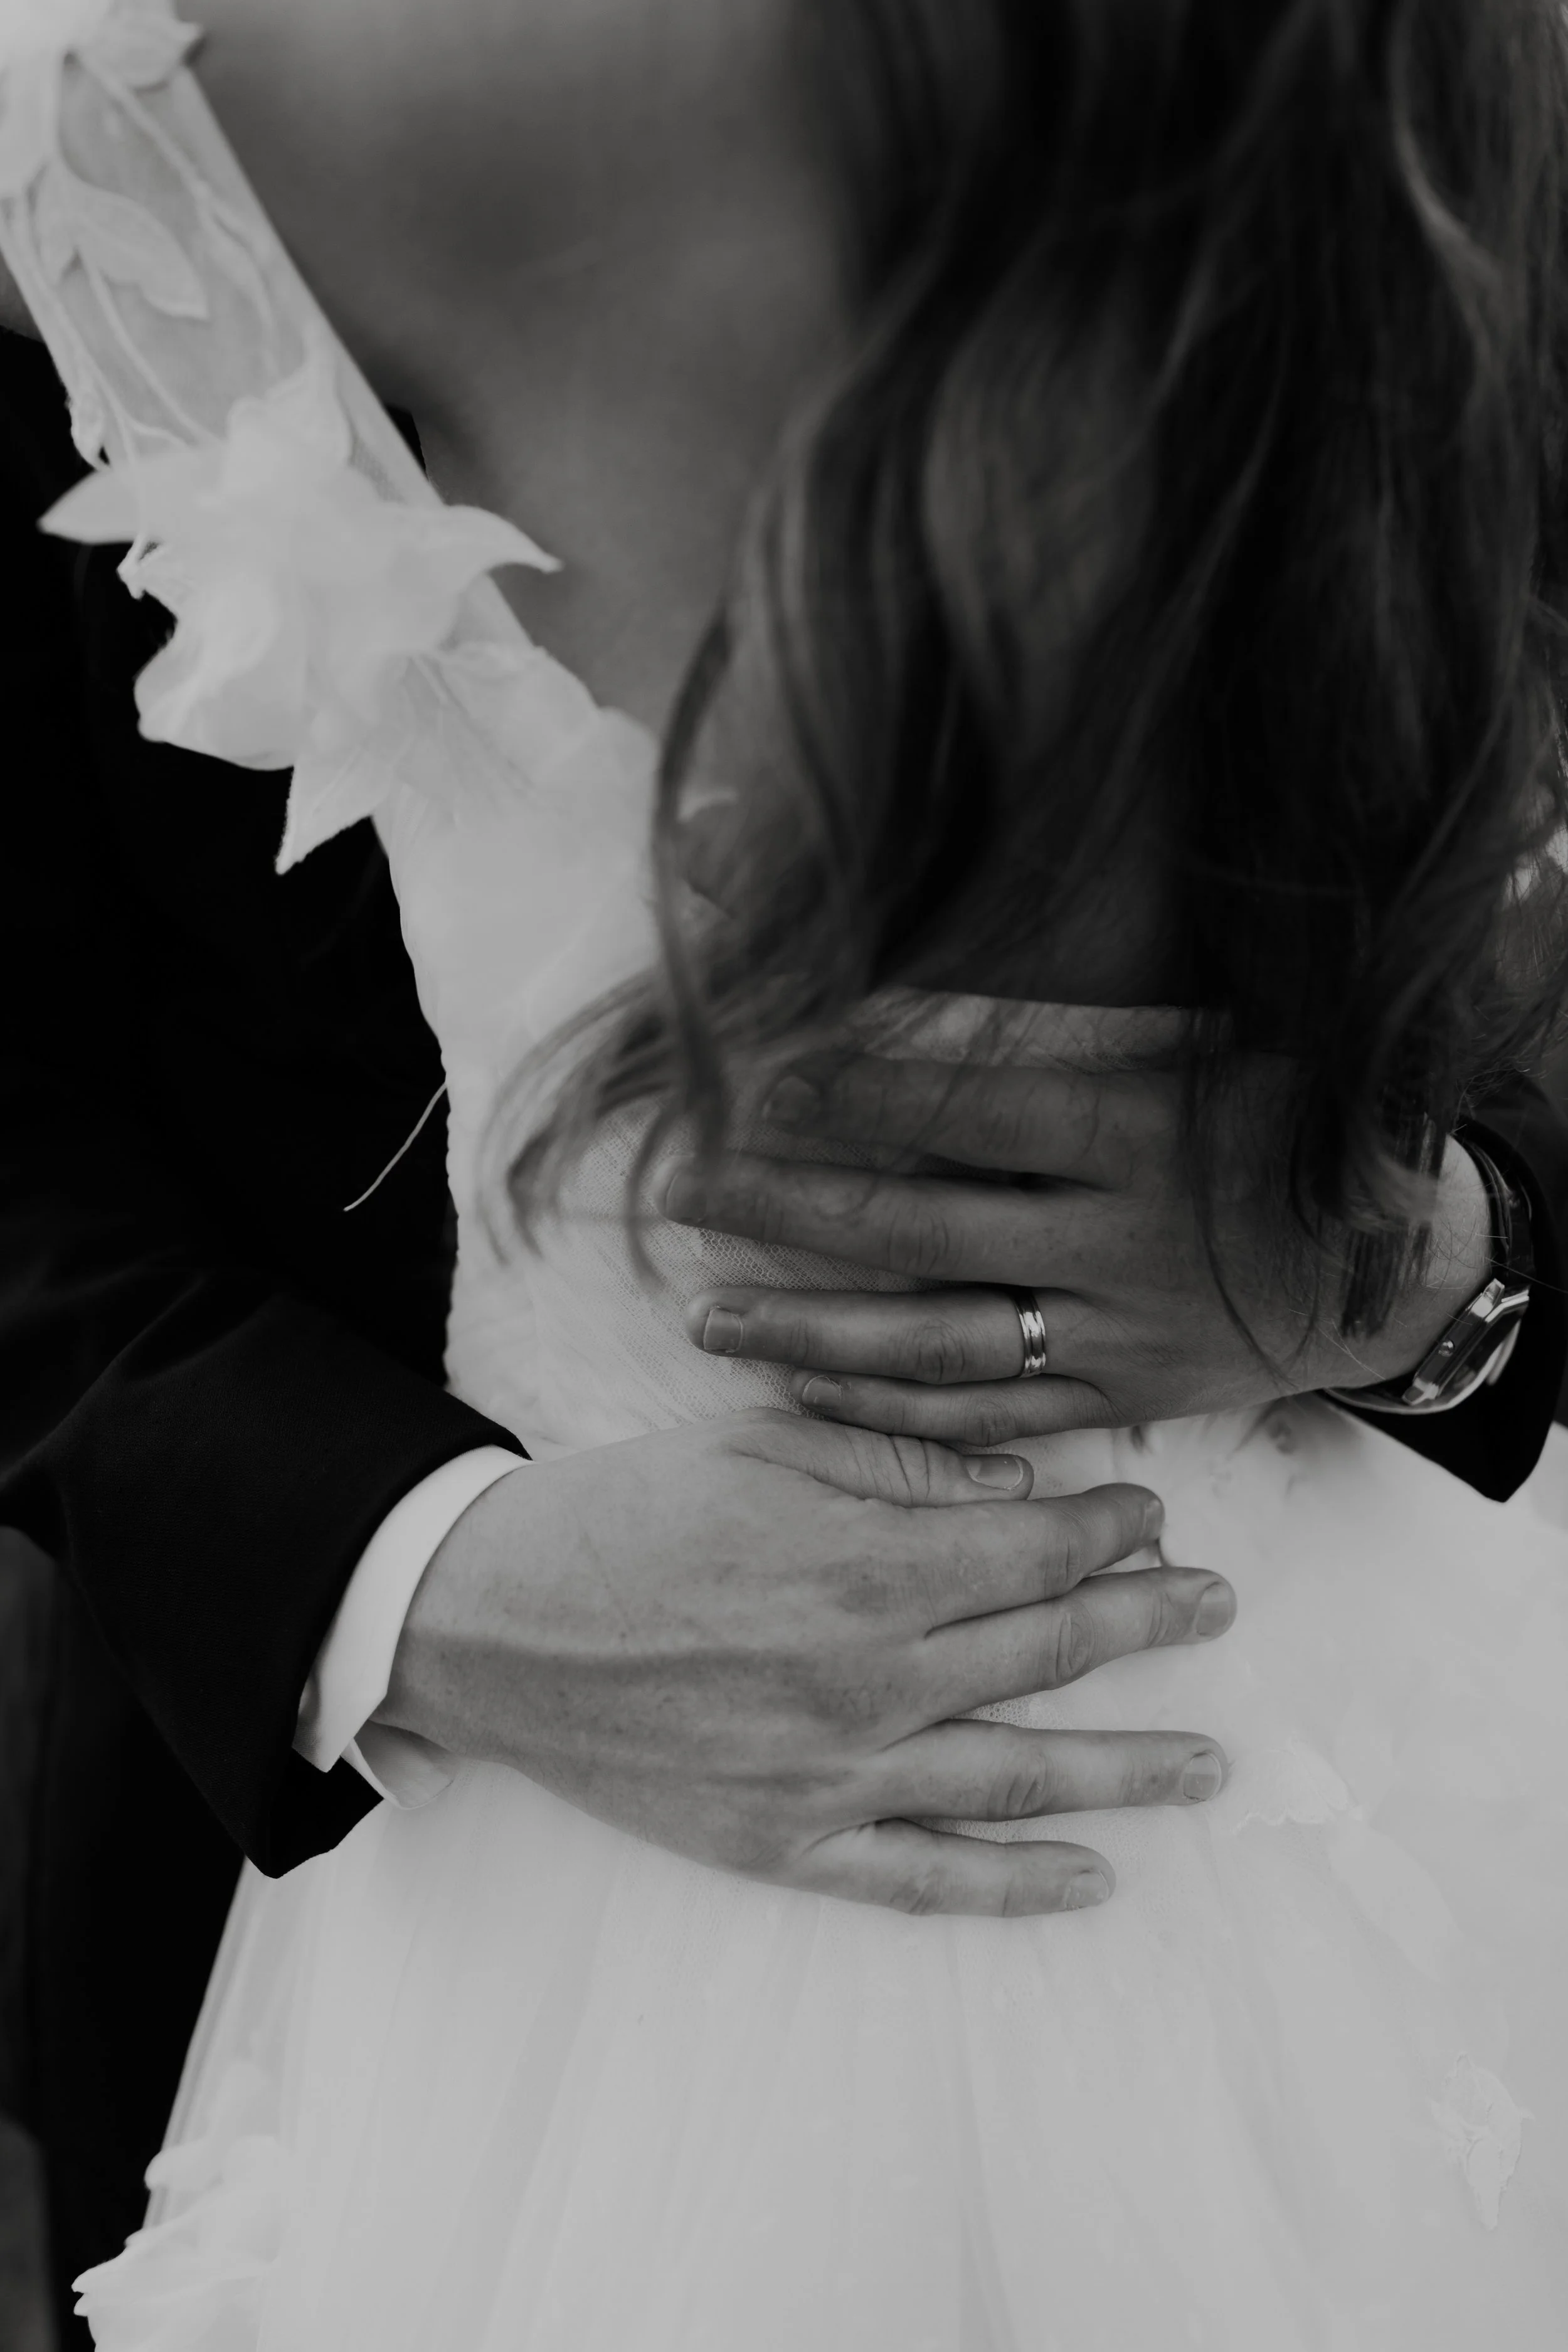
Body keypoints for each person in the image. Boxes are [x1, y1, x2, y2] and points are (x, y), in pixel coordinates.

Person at [3, 1, 1567, 2344]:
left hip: (1391, 1808)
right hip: (417, 1884)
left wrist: (1436, 1262)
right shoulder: (143, 103)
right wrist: (416, 1577)